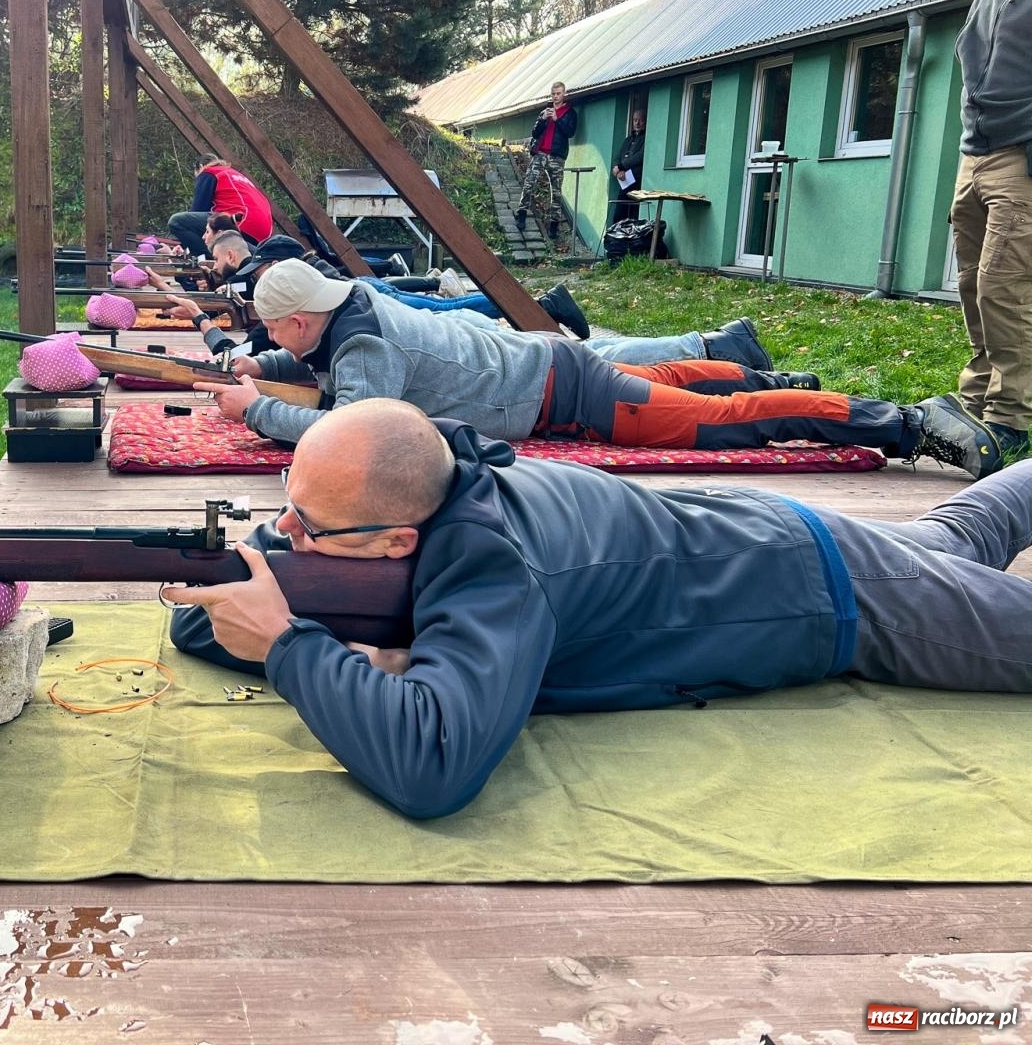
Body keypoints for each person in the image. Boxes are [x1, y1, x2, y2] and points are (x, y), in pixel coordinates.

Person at [164, 399, 1032, 819]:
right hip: (771, 537)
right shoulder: (441, 482)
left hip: (832, 594)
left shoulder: (492, 567)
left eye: (305, 526)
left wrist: (288, 645)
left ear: (397, 541)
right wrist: (274, 589)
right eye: (286, 501)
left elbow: (431, 766)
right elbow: (205, 616)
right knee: (962, 532)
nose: (283, 532)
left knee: (979, 585)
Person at [195, 259, 1003, 478]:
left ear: (302, 319)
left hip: (563, 391)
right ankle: (768, 380)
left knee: (713, 427)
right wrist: (257, 370)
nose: (273, 341)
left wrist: (256, 410)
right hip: (550, 367)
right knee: (693, 387)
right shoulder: (347, 314)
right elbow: (300, 358)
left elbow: (348, 437)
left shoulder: (362, 349)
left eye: (275, 331)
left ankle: (903, 425)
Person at [171, 236, 788, 371]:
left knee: (602, 363)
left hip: (478, 357)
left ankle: (716, 351)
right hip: (464, 344)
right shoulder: (328, 308)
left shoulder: (344, 327)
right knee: (596, 356)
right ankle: (718, 347)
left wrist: (206, 327)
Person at [950, 0, 1032, 458]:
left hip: (1022, 158)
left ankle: (1012, 418)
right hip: (975, 155)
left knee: (1005, 286)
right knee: (973, 286)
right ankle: (977, 404)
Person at [166, 154, 274, 256]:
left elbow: (198, 209)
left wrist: (187, 243)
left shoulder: (209, 172)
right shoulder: (234, 174)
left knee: (177, 222)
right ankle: (252, 254)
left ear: (200, 166)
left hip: (240, 220)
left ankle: (212, 257)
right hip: (263, 232)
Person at [515, 82, 577, 240]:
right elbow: (535, 133)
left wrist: (557, 119)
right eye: (553, 94)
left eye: (558, 93)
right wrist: (542, 119)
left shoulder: (570, 113)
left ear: (564, 94)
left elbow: (570, 132)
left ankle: (554, 226)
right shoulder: (545, 112)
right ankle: (521, 213)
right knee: (529, 182)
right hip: (540, 153)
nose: (556, 96)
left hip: (557, 156)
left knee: (556, 191)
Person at [608, 109, 646, 225]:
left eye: (640, 120)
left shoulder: (646, 138)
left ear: (645, 122)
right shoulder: (628, 140)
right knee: (618, 216)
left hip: (637, 183)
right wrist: (617, 171)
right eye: (635, 120)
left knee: (632, 218)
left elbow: (640, 156)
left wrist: (621, 166)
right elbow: (617, 157)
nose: (637, 123)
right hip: (624, 182)